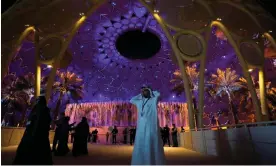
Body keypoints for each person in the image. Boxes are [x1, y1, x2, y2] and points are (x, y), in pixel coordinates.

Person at [130, 86, 166, 165]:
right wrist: (140, 94)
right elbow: (131, 100)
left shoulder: (153, 100)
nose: (144, 92)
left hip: (151, 126)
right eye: (143, 91)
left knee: (150, 143)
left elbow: (158, 94)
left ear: (149, 92)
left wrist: (151, 91)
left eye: (146, 91)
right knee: (141, 144)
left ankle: (152, 162)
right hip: (141, 128)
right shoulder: (139, 101)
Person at [13, 95, 53, 165]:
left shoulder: (42, 109)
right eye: (36, 100)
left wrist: (34, 130)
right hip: (33, 132)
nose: (37, 101)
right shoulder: (39, 109)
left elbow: (40, 121)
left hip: (36, 133)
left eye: (38, 100)